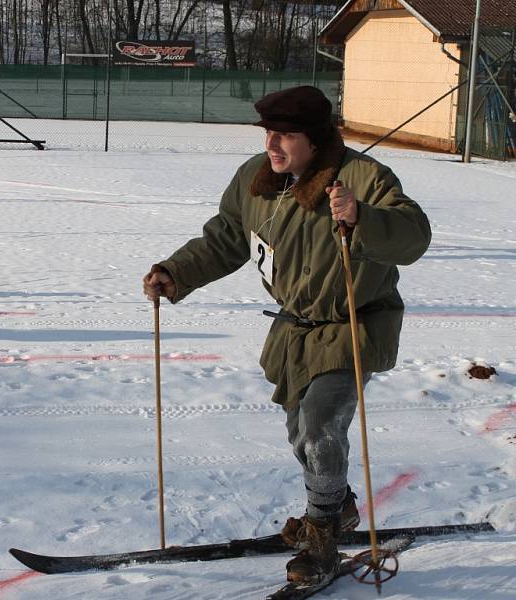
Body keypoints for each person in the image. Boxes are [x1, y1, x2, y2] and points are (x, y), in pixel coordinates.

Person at [142, 86, 431, 585]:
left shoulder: (364, 178)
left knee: (321, 422)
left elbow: (414, 236)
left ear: (316, 140)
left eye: (285, 136)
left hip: (354, 326)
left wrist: (363, 216)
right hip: (293, 330)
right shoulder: (257, 179)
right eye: (269, 134)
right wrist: (177, 271)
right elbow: (227, 237)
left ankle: (321, 531)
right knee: (301, 432)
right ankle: (336, 505)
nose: (272, 145)